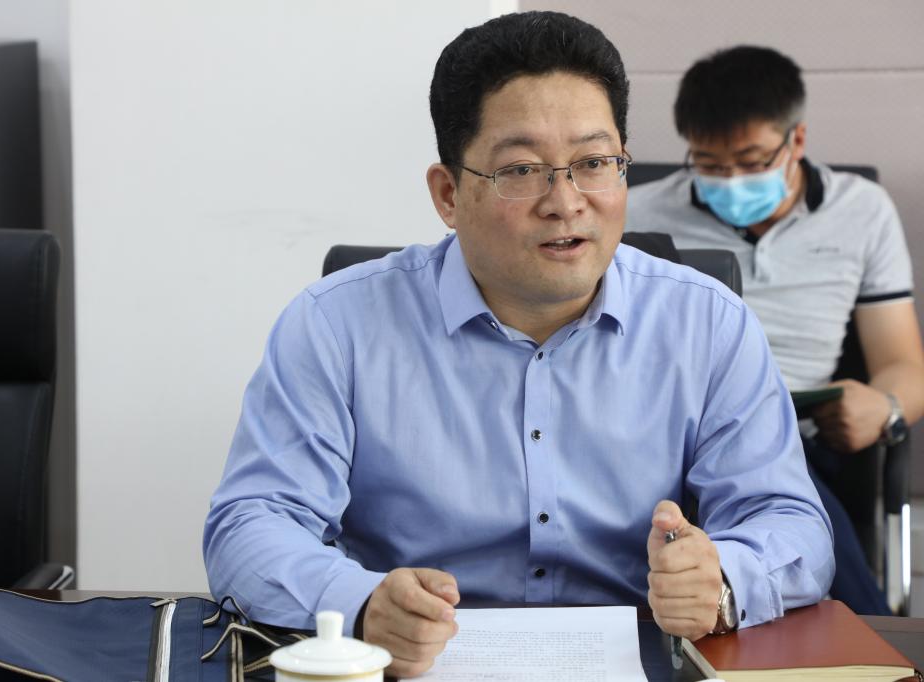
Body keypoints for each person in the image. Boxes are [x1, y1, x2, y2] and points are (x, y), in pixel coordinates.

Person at [205, 13, 834, 678]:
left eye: (594, 163)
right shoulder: (335, 325)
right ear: (449, 194)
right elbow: (252, 523)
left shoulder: (709, 322)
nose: (565, 202)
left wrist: (724, 580)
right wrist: (360, 604)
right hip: (411, 667)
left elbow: (789, 520)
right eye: (522, 169)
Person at [626, 45, 924, 616]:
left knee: (788, 487)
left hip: (797, 432)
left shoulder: (863, 211)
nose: (731, 180)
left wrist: (884, 407)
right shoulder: (634, 212)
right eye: (709, 165)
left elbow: (904, 363)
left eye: (752, 160)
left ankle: (868, 637)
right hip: (669, 427)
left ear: (797, 140)